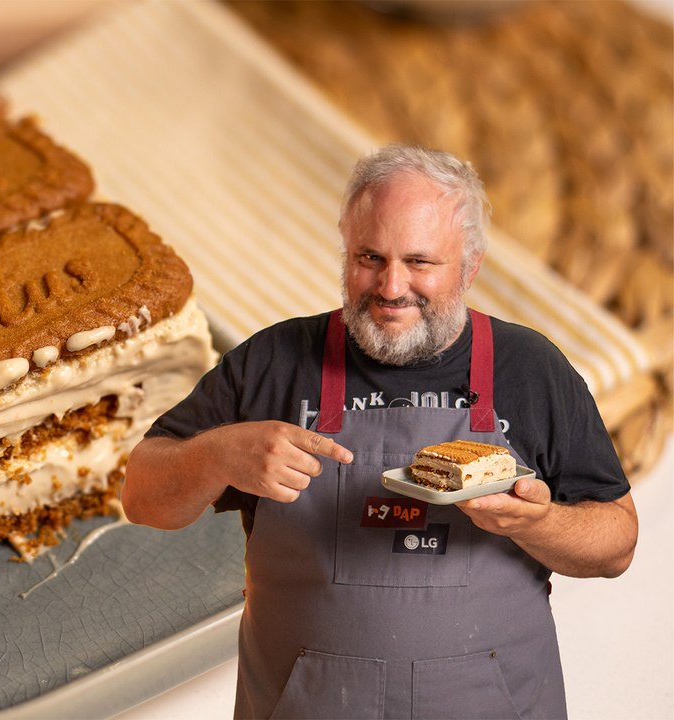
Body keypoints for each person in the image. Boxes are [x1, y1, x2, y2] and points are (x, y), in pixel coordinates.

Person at [123, 144, 638, 719]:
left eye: (420, 262)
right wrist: (216, 456)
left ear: (469, 267)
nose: (391, 288)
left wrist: (538, 523)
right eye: (370, 257)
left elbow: (616, 546)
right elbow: (142, 498)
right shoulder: (275, 360)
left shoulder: (532, 368)